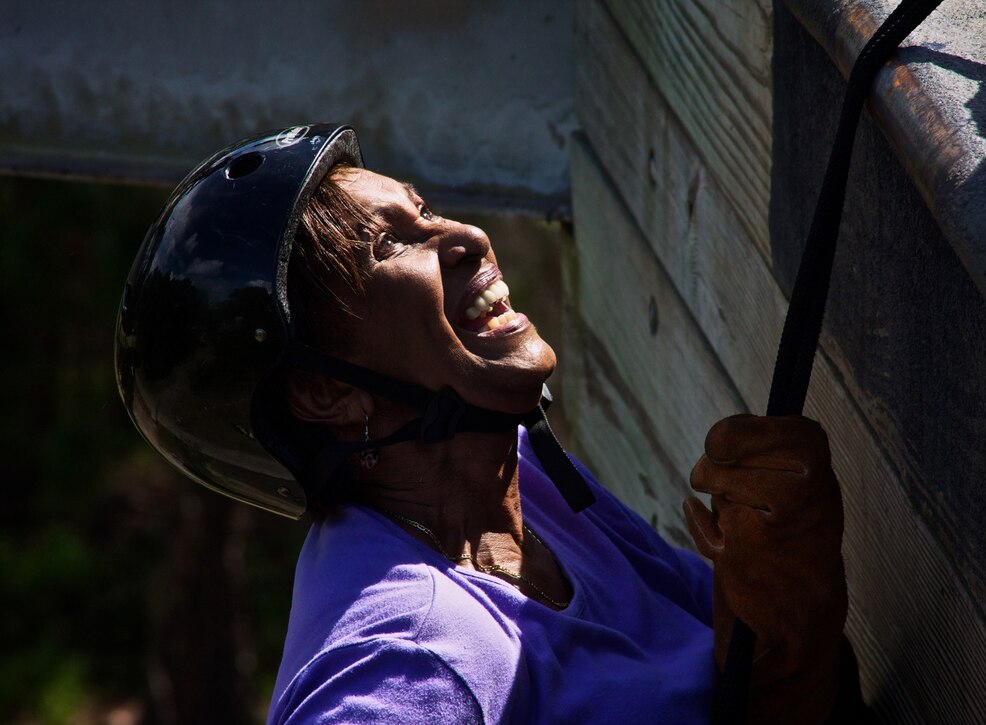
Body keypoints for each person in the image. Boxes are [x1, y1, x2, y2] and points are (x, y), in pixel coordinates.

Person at [116, 125, 858, 723]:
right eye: (389, 245)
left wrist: (786, 623)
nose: (465, 235)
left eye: (426, 209)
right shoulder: (404, 662)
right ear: (320, 391)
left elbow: (736, 670)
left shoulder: (523, 481)